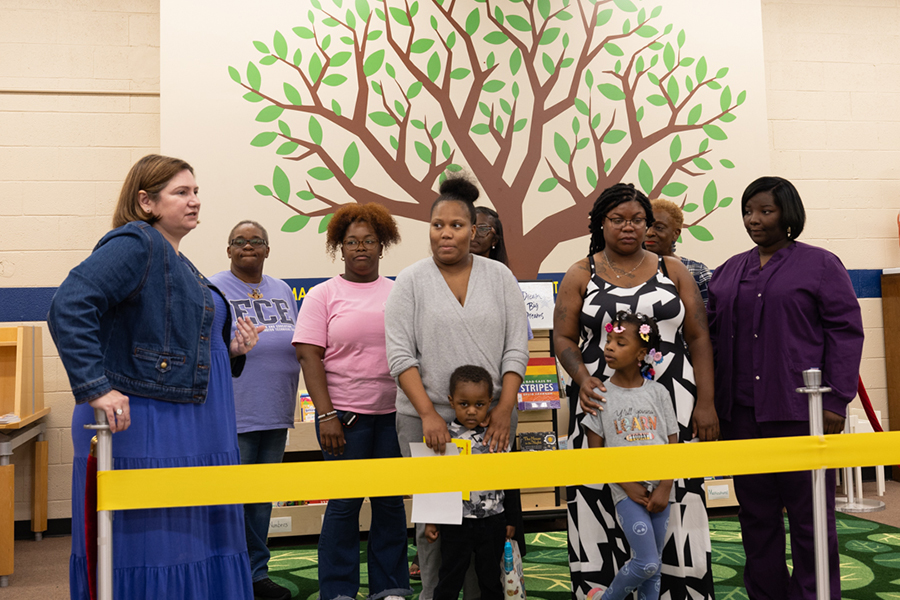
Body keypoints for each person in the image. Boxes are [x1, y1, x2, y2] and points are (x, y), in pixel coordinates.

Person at [47, 154, 263, 600]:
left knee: (192, 537)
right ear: (146, 201)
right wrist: (96, 388)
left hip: (193, 422)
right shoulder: (136, 243)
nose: (195, 201)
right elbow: (69, 305)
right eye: (181, 193)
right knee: (159, 543)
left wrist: (230, 347)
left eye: (196, 191)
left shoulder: (175, 257)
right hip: (151, 423)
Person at [553, 182, 718, 599]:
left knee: (674, 494)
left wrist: (707, 402)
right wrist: (582, 377)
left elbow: (699, 337)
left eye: (638, 219)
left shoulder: (673, 269)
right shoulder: (580, 272)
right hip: (600, 399)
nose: (629, 227)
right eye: (618, 219)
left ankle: (681, 591)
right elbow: (563, 339)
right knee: (600, 492)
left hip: (673, 401)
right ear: (599, 223)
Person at [707, 176, 864, 600]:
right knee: (755, 516)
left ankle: (814, 595)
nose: (753, 220)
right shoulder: (729, 270)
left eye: (765, 211)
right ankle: (766, 593)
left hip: (801, 412)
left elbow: (846, 332)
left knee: (811, 516)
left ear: (788, 214)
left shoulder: (821, 265)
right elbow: (709, 336)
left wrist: (836, 399)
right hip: (741, 414)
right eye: (747, 211)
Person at [385, 174, 529, 600]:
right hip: (425, 420)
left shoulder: (500, 276)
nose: (446, 234)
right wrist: (430, 415)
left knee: (488, 519)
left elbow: (516, 348)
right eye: (437, 225)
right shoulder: (410, 280)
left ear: (475, 231)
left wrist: (502, 410)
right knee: (436, 526)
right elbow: (400, 355)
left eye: (457, 225)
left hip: (493, 419)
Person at [293, 203, 410, 600]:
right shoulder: (323, 295)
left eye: (369, 241)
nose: (360, 248)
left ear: (383, 246)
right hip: (343, 418)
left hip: (394, 416)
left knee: (390, 505)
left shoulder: (398, 292)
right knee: (343, 506)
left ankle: (390, 589)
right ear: (340, 248)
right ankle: (338, 590)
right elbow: (309, 356)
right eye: (351, 242)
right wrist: (325, 414)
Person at [209, 220, 300, 600]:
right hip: (235, 414)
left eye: (256, 241)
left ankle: (256, 574)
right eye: (239, 242)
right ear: (228, 250)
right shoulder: (213, 289)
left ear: (267, 249)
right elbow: (210, 348)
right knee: (235, 498)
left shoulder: (281, 289)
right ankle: (231, 573)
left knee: (261, 499)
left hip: (276, 411)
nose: (248, 246)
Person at [582, 312, 678, 600]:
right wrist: (627, 484)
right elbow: (596, 453)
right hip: (626, 493)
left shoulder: (659, 392)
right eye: (609, 340)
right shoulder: (600, 394)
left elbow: (673, 443)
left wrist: (665, 485)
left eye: (620, 342)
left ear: (641, 353)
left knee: (654, 567)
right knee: (646, 562)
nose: (609, 346)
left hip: (661, 491)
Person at [424, 365, 518, 600]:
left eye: (479, 404)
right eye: (464, 404)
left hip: (493, 521)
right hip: (456, 523)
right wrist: (431, 520)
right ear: (451, 401)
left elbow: (510, 479)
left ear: (490, 402)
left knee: (490, 580)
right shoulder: (444, 438)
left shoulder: (498, 435)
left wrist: (512, 519)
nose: (472, 411)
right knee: (449, 578)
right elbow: (436, 483)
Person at [644, 198, 713, 306]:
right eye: (646, 226)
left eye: (659, 228)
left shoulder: (697, 272)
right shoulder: (628, 270)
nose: (649, 233)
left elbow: (708, 318)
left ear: (676, 234)